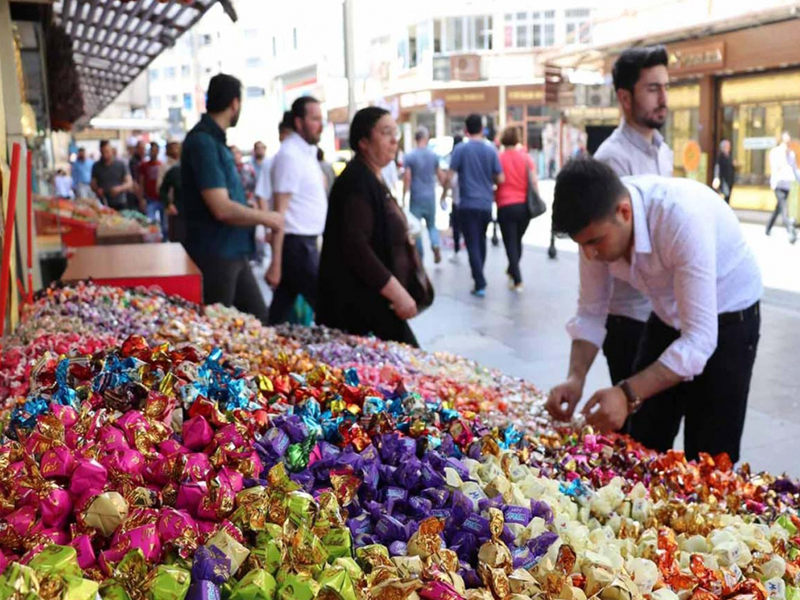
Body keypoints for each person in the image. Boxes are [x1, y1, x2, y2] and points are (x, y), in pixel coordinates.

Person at [546, 158, 762, 463]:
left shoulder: (680, 218)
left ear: (624, 212)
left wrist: (626, 393)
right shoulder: (597, 230)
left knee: (710, 455)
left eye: (595, 242)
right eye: (582, 245)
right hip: (666, 314)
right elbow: (591, 311)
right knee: (642, 437)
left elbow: (699, 340)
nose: (590, 254)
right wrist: (575, 379)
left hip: (729, 319)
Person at [593, 44, 673, 387]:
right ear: (625, 98)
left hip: (662, 312)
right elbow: (618, 243)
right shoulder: (612, 159)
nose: (663, 98)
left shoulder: (664, 152)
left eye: (665, 87)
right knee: (634, 417)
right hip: (630, 318)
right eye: (653, 89)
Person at [181, 73, 283, 323]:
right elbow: (221, 208)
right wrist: (266, 217)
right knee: (219, 327)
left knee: (258, 321)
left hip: (233, 250)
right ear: (235, 103)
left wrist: (249, 209)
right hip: (216, 253)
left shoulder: (214, 141)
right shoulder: (203, 142)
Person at [318, 107, 419, 346]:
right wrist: (397, 293)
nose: (394, 140)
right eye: (386, 133)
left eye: (395, 133)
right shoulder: (357, 180)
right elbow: (356, 247)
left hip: (374, 305)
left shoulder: (372, 176)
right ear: (364, 141)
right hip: (359, 308)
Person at [267, 96, 328, 324]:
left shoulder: (306, 152)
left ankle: (268, 338)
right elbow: (279, 212)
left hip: (305, 243)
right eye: (314, 119)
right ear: (299, 122)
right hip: (296, 246)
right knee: (328, 307)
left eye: (321, 119)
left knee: (280, 310)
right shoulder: (290, 154)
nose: (320, 125)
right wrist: (275, 263)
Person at [442, 114, 504, 297]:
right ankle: (479, 277)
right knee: (481, 240)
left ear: (466, 130)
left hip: (467, 204)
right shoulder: (491, 150)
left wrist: (444, 194)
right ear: (482, 129)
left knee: (472, 243)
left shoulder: (460, 149)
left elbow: (449, 176)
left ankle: (480, 281)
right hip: (485, 204)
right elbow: (500, 178)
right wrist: (489, 182)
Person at [495, 127, 535, 291]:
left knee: (510, 242)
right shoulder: (525, 158)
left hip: (505, 205)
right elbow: (533, 181)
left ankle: (517, 278)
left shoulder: (499, 158)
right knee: (517, 240)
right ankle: (513, 270)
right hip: (524, 206)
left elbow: (496, 179)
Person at [403, 126, 444, 263]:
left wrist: (404, 194)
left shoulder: (410, 156)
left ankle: (419, 256)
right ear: (426, 138)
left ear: (416, 139)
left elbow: (407, 177)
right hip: (430, 196)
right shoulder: (433, 156)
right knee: (432, 225)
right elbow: (440, 175)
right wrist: (445, 192)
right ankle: (435, 244)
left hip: (416, 196)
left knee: (416, 228)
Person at [767, 132, 800, 244]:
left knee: (779, 208)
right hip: (778, 185)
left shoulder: (791, 154)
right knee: (784, 207)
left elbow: (795, 169)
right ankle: (790, 231)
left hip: (787, 185)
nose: (788, 144)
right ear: (781, 142)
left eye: (789, 142)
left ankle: (768, 228)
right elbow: (775, 169)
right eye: (786, 142)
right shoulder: (775, 153)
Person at [91, 140, 133, 210]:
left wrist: (119, 189)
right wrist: (97, 189)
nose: (105, 155)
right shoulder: (96, 166)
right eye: (103, 152)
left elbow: (129, 183)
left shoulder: (121, 164)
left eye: (107, 152)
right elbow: (93, 183)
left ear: (112, 151)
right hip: (103, 203)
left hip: (120, 202)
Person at [442, 135, 464, 263]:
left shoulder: (454, 157)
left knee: (456, 225)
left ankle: (457, 251)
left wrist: (444, 194)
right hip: (468, 198)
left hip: (457, 198)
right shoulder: (466, 155)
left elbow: (451, 179)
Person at [140, 141, 167, 238]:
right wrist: (141, 198)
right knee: (150, 222)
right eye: (152, 150)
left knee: (165, 225)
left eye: (155, 150)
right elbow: (141, 182)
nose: (153, 152)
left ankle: (164, 240)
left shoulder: (162, 165)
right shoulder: (144, 165)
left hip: (162, 198)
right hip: (150, 199)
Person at [159, 141, 184, 243]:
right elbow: (162, 189)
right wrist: (168, 204)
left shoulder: (202, 170)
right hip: (178, 213)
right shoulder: (175, 170)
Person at [713, 139, 735, 204]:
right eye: (727, 146)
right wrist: (716, 177)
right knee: (725, 193)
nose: (728, 147)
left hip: (730, 179)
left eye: (729, 146)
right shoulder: (721, 157)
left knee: (728, 194)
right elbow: (717, 168)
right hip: (723, 179)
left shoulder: (729, 157)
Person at [128, 140, 146, 210]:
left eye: (144, 148)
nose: (143, 151)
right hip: (136, 195)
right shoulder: (134, 162)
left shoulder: (143, 160)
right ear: (137, 149)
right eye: (141, 148)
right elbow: (135, 181)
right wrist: (140, 199)